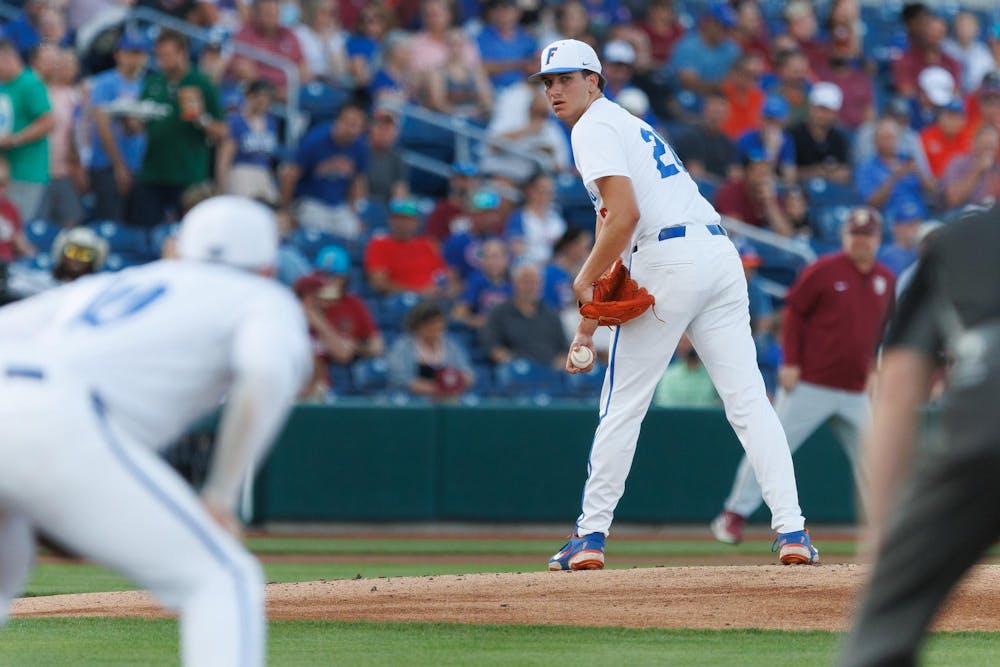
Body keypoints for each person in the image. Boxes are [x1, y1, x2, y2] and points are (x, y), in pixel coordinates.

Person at [531, 39, 817, 570]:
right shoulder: (630, 126)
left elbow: (623, 220)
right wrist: (586, 331)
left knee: (623, 404)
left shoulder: (591, 127)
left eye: (566, 78)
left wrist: (581, 279)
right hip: (717, 254)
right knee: (750, 402)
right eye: (548, 82)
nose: (554, 90)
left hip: (666, 256)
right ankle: (793, 530)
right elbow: (610, 227)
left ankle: (590, 536)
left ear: (595, 81)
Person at [0, 195, 311, 666]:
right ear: (268, 265)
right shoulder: (263, 296)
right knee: (221, 580)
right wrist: (221, 496)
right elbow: (266, 372)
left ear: (178, 249)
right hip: (59, 419)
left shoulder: (121, 282)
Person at [838, 204, 1000, 667]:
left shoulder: (960, 241)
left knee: (880, 637)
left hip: (983, 423)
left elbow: (895, 388)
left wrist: (883, 545)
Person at [711, 207, 895, 545]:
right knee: (771, 447)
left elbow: (879, 331)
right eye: (855, 234)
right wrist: (790, 361)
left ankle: (886, 529)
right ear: (845, 237)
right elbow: (794, 313)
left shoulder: (886, 279)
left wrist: (874, 367)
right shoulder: (824, 270)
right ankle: (733, 515)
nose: (861, 240)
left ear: (878, 239)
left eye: (867, 235)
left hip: (855, 389)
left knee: (875, 458)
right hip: (810, 383)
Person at [132, 30, 226, 228]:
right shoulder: (154, 81)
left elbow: (222, 131)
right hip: (153, 171)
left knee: (190, 230)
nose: (162, 61)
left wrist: (201, 118)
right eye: (159, 56)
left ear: (182, 53)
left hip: (188, 173)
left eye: (167, 55)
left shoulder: (201, 83)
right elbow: (137, 126)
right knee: (146, 231)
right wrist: (130, 119)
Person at [294, 244, 383, 399]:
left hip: (340, 378)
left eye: (333, 276)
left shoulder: (352, 304)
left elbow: (376, 346)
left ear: (345, 278)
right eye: (323, 275)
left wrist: (354, 346)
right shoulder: (301, 306)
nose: (327, 280)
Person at [279, 100, 368, 240]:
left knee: (352, 232)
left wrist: (355, 213)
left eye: (357, 126)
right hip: (310, 202)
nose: (352, 129)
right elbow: (289, 176)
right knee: (318, 230)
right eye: (349, 123)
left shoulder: (360, 147)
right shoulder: (315, 140)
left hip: (338, 206)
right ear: (337, 121)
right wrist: (285, 211)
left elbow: (357, 182)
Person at [85, 34, 148, 223]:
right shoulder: (105, 82)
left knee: (137, 223)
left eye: (139, 53)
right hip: (107, 165)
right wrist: (119, 165)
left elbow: (140, 127)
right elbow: (103, 126)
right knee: (111, 222)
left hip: (138, 164)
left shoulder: (146, 84)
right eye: (130, 53)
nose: (135, 58)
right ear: (118, 54)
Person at [0, 39, 53, 222]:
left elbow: (48, 122)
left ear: (7, 58)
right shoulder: (4, 85)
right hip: (6, 171)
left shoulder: (30, 83)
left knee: (16, 226)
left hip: (27, 171)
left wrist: (14, 139)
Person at [481, 261, 566, 368]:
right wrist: (511, 362)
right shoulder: (499, 313)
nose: (531, 287)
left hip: (550, 374)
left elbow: (564, 350)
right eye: (526, 282)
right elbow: (493, 348)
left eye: (535, 282)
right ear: (514, 284)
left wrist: (560, 362)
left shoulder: (552, 314)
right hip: (516, 374)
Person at [386, 300, 474, 401]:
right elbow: (399, 379)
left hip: (450, 399)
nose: (436, 327)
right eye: (430, 324)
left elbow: (468, 374)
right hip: (413, 400)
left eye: (439, 323)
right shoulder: (403, 347)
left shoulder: (452, 346)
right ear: (418, 326)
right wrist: (436, 388)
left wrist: (458, 381)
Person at [364, 197, 448, 296]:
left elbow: (443, 275)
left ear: (416, 221)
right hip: (401, 300)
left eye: (407, 219)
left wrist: (440, 290)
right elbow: (379, 283)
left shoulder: (427, 244)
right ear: (390, 220)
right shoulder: (379, 244)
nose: (403, 223)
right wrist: (418, 292)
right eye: (398, 218)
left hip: (434, 299)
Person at [854, 117, 935, 217]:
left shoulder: (908, 160)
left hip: (919, 218)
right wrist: (895, 177)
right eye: (886, 138)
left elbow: (934, 191)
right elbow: (872, 203)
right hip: (889, 222)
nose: (890, 142)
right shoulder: (867, 167)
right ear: (875, 141)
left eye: (893, 137)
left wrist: (919, 172)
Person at [216, 79, 281, 203]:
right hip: (241, 174)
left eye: (267, 98)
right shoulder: (236, 122)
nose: (264, 102)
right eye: (260, 97)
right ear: (249, 96)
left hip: (263, 173)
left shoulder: (271, 122)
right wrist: (221, 186)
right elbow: (225, 157)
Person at [6, 225, 108, 300]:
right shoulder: (42, 282)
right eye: (72, 252)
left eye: (86, 255)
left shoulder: (96, 291)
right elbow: (18, 284)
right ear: (61, 252)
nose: (77, 259)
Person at [790, 82, 851, 185]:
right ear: (811, 107)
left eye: (828, 110)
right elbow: (786, 173)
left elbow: (845, 171)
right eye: (820, 108)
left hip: (830, 195)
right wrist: (816, 172)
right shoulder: (794, 135)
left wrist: (827, 173)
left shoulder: (838, 138)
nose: (823, 114)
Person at [506, 171, 566, 265]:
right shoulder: (519, 217)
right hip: (529, 266)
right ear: (531, 191)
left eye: (549, 191)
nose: (546, 195)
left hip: (554, 265)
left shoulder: (556, 216)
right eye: (542, 190)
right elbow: (517, 249)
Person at [451, 238, 511, 330]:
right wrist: (474, 321)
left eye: (495, 257)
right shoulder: (475, 281)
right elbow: (458, 314)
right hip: (481, 333)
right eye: (486, 257)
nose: (491, 262)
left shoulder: (516, 282)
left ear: (506, 259)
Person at [652, 335, 719, 408]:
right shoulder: (668, 375)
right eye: (681, 342)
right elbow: (664, 406)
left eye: (687, 342)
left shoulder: (713, 376)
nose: (683, 346)